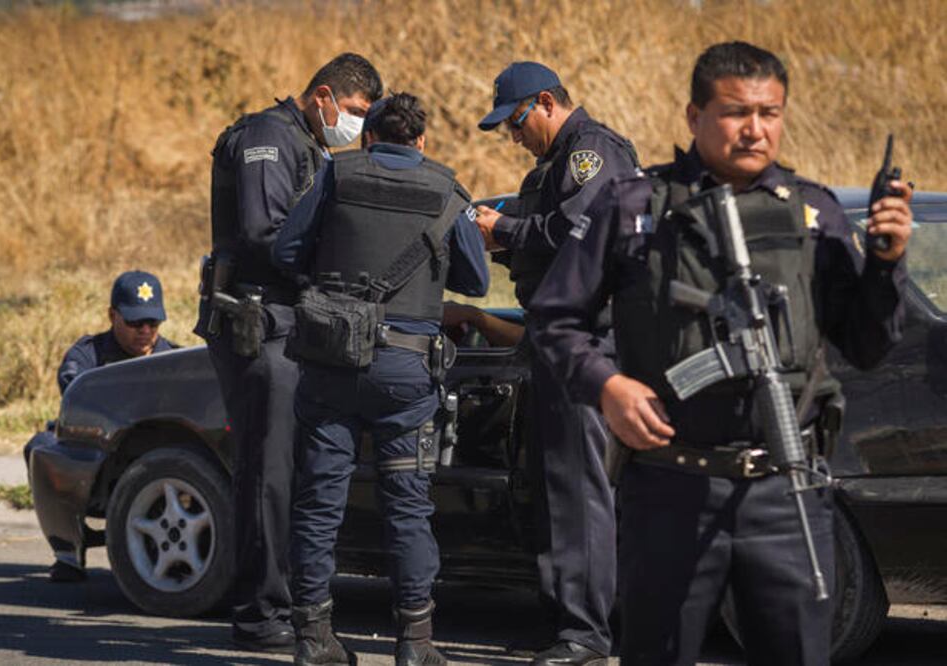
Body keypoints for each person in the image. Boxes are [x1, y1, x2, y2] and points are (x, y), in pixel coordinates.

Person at [528, 41, 914, 665]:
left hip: (786, 492)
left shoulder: (814, 214)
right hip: (671, 490)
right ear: (694, 116)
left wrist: (887, 266)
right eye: (737, 112)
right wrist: (607, 385)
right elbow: (554, 317)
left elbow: (868, 345)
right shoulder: (633, 206)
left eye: (770, 112)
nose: (755, 129)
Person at [273, 92, 489, 666]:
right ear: (422, 142)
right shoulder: (447, 188)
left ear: (368, 137)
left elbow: (287, 249)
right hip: (406, 372)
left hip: (331, 363)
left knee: (319, 504)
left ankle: (313, 639)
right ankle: (415, 645)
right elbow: (477, 280)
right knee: (408, 508)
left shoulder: (335, 173)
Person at [193, 53, 383, 653]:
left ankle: (290, 602)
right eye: (352, 112)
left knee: (295, 471)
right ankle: (258, 611)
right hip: (259, 322)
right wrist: (331, 277)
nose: (353, 124)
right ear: (323, 96)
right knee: (269, 472)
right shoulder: (267, 140)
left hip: (290, 324)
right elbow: (263, 232)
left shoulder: (311, 144)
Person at [475, 61, 640, 665]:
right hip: (551, 342)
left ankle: (588, 634)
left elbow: (581, 232)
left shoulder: (592, 153)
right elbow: (544, 252)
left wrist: (508, 229)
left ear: (546, 102)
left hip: (587, 346)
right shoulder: (551, 165)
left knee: (579, 489)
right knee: (550, 488)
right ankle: (562, 619)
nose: (513, 136)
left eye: (516, 122)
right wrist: (499, 243)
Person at [44, 269, 177, 581]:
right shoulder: (87, 354)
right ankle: (68, 549)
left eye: (153, 323)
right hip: (101, 461)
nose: (145, 331)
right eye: (134, 322)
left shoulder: (172, 358)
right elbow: (77, 395)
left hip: (157, 462)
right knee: (41, 446)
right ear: (112, 315)